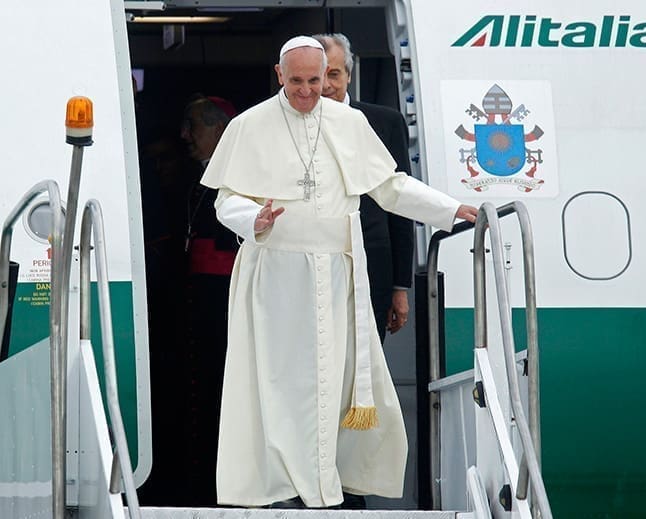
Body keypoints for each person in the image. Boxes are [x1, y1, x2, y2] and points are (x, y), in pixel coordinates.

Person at [200, 36, 478, 509]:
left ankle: (327, 489)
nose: (308, 92)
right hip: (276, 280)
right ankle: (289, 492)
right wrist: (255, 221)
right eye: (297, 83)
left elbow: (390, 187)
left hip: (336, 278)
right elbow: (226, 201)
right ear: (278, 75)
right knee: (281, 388)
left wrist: (450, 209)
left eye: (315, 80)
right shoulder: (250, 126)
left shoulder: (350, 123)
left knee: (333, 386)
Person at [314, 33, 414, 343]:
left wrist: (400, 286)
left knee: (367, 363)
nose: (328, 85)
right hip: (313, 269)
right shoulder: (289, 125)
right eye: (320, 76)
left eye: (335, 74)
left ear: (348, 74)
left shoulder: (385, 122)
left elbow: (400, 204)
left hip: (373, 267)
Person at [177, 95, 240, 506]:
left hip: (223, 297)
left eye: (194, 126)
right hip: (200, 295)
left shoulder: (235, 173)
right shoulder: (201, 174)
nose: (185, 136)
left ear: (219, 130)